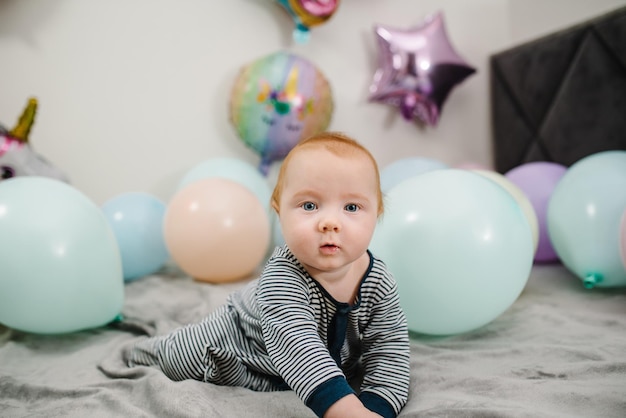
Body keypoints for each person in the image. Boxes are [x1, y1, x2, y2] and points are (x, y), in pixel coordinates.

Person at [126, 131, 411, 418]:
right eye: (309, 206)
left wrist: (377, 408)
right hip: (232, 346)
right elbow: (300, 350)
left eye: (351, 207)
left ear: (377, 213)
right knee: (173, 356)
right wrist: (349, 412)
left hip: (289, 375)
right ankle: (141, 349)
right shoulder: (283, 277)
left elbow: (390, 353)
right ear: (279, 211)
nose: (329, 222)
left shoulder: (378, 280)